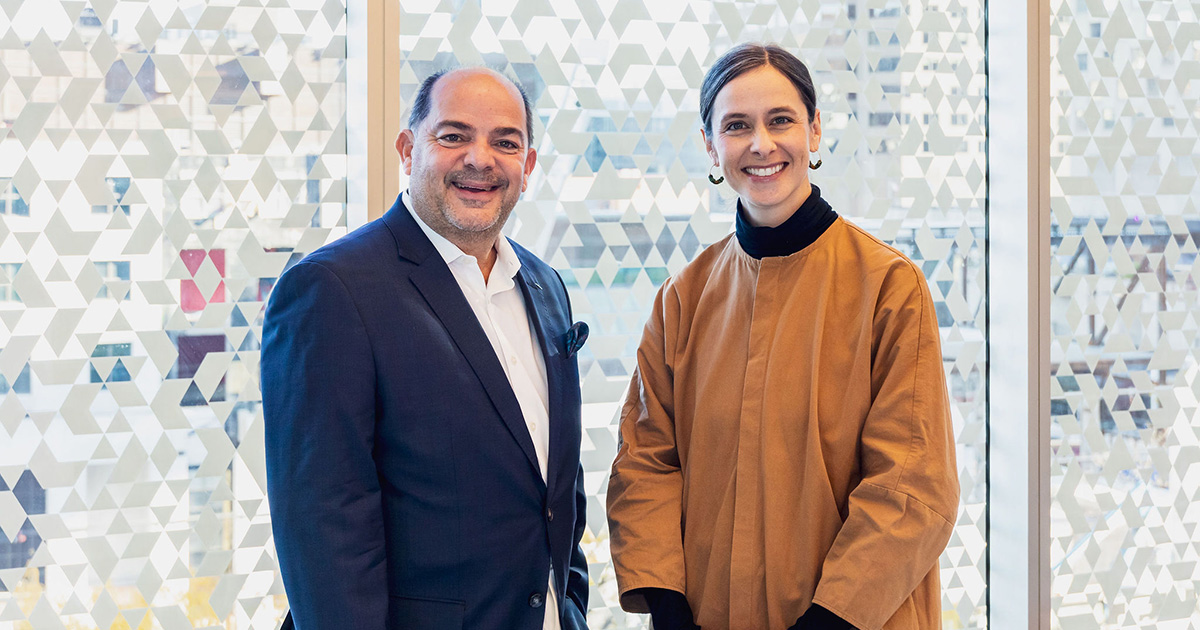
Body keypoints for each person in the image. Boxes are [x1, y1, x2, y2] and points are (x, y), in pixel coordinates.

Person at [605, 43, 959, 630]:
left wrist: (829, 619)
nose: (761, 145)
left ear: (814, 131)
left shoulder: (890, 288)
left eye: (781, 121)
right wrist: (667, 604)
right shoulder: (682, 300)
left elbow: (912, 485)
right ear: (710, 145)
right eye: (737, 126)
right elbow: (645, 462)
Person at [262, 67, 590, 630]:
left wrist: (572, 603)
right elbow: (324, 533)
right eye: (454, 135)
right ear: (408, 149)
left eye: (505, 142)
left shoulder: (545, 287)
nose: (480, 159)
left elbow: (555, 488)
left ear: (528, 166)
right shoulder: (332, 291)